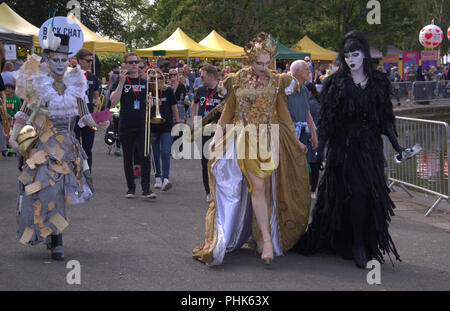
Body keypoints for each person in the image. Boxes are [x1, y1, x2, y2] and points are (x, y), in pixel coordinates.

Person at [192, 32, 310, 267]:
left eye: (267, 63)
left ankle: (258, 237)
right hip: (243, 138)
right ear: (250, 61)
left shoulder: (276, 80)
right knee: (255, 186)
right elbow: (227, 112)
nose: (263, 68)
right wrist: (217, 136)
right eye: (259, 63)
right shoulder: (235, 80)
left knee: (266, 190)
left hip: (268, 138)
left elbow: (283, 113)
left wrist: (296, 141)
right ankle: (266, 242)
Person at [294, 30, 407, 269]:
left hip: (370, 149)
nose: (351, 59)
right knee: (353, 192)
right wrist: (321, 148)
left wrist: (398, 146)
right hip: (344, 149)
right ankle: (355, 243)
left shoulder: (378, 81)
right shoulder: (336, 83)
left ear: (364, 55)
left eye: (355, 54)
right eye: (346, 55)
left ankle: (361, 242)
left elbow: (386, 118)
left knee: (367, 194)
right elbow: (327, 120)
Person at [8, 27, 107, 260]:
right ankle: (52, 235)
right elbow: (23, 114)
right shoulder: (38, 84)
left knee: (59, 191)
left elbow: (84, 117)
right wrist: (15, 137)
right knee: (46, 188)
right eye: (56, 59)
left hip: (67, 148)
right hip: (41, 146)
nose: (61, 63)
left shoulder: (77, 84)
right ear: (48, 60)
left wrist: (102, 120)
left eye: (64, 59)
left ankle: (56, 238)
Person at [110, 52, 156, 199]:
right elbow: (113, 101)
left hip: (143, 124)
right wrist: (122, 82)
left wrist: (152, 104)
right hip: (126, 123)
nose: (134, 65)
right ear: (125, 65)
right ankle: (130, 188)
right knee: (128, 158)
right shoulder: (121, 81)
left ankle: (146, 189)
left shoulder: (145, 82)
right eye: (130, 62)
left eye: (136, 62)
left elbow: (153, 103)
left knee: (145, 156)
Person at [191, 64, 224, 202]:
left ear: (211, 76)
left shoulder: (222, 91)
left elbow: (232, 109)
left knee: (219, 162)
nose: (201, 78)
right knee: (205, 162)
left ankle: (220, 190)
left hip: (218, 130)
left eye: (202, 76)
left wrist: (224, 110)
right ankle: (208, 191)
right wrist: (194, 120)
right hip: (203, 129)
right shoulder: (201, 90)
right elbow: (194, 103)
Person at [149, 68, 180, 191]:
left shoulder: (168, 90)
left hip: (167, 126)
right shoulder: (148, 92)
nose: (157, 80)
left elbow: (174, 107)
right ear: (151, 80)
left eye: (160, 78)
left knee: (165, 153)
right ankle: (157, 176)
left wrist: (177, 122)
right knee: (155, 153)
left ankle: (165, 178)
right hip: (152, 126)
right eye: (154, 79)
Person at [74, 49, 99, 171]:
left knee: (88, 147)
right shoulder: (71, 75)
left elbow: (96, 97)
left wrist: (98, 104)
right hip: (75, 116)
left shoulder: (93, 77)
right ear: (79, 61)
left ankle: (87, 172)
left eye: (91, 61)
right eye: (88, 61)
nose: (90, 63)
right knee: (76, 146)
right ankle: (76, 171)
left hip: (88, 116)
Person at [288, 60, 318, 155]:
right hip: (290, 136)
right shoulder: (286, 91)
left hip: (303, 135)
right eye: (306, 69)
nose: (309, 71)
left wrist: (314, 134)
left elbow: (307, 113)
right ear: (297, 71)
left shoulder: (305, 90)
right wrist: (296, 140)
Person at [304, 82, 321, 198]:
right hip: (316, 135)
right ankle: (313, 189)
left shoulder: (310, 104)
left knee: (312, 164)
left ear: (309, 92)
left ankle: (312, 189)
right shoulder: (317, 102)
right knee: (314, 164)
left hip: (312, 136)